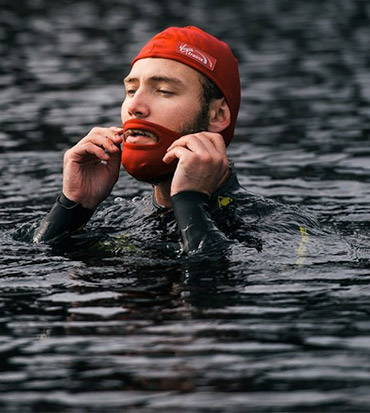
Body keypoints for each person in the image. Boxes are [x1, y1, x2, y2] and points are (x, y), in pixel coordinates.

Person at [33, 26, 318, 258]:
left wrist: (190, 202)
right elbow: (35, 268)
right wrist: (73, 205)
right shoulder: (115, 216)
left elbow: (218, 291)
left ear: (217, 115)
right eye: (131, 90)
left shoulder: (284, 227)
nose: (135, 107)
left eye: (164, 91)